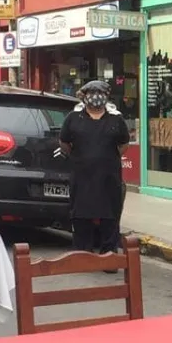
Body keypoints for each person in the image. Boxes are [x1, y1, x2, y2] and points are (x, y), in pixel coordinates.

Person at [58, 81, 130, 260]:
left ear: (107, 96)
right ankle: (83, 255)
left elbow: (123, 144)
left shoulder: (116, 119)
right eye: (92, 92)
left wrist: (104, 158)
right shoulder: (73, 118)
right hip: (82, 177)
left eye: (100, 92)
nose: (96, 96)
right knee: (81, 217)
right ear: (84, 95)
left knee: (110, 217)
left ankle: (109, 255)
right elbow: (64, 143)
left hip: (109, 178)